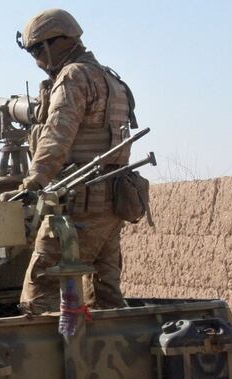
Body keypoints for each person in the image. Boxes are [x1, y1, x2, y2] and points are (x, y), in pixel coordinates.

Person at [12, 8, 139, 315]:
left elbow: (57, 137)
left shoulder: (73, 77)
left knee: (40, 293)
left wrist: (33, 184)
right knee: (107, 298)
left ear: (53, 44)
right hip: (112, 204)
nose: (37, 61)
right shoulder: (112, 80)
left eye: (34, 51)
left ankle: (49, 362)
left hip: (78, 208)